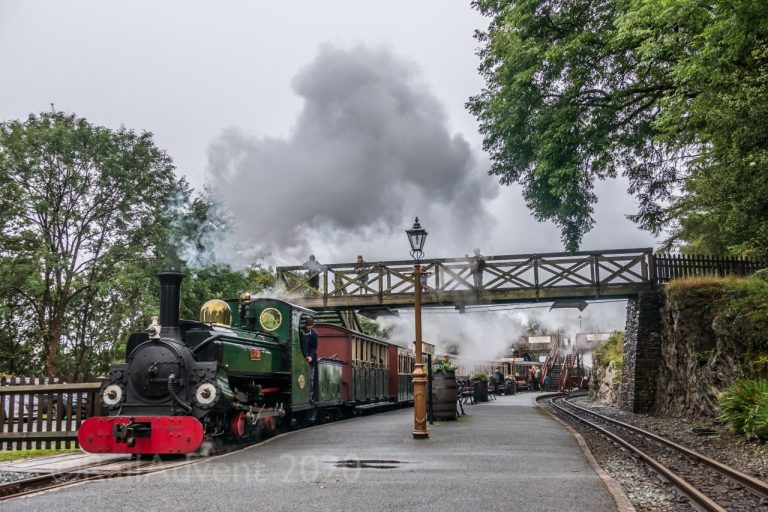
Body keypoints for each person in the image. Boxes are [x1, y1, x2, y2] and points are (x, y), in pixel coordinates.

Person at [299, 316, 318, 403]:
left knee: (310, 378)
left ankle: (310, 397)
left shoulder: (314, 334)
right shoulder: (300, 332)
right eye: (306, 325)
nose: (307, 327)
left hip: (310, 359)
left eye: (309, 325)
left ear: (312, 325)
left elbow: (314, 348)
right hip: (300, 356)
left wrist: (310, 356)